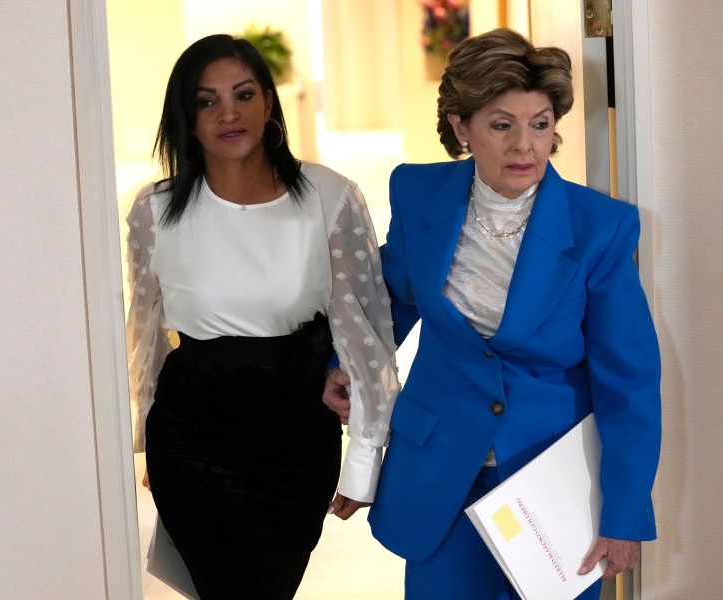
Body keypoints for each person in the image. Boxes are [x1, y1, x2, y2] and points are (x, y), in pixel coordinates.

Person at [323, 28, 661, 599]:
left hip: (550, 482)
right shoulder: (417, 194)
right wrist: (345, 365)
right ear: (461, 126)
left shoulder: (600, 227)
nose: (525, 146)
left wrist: (624, 512)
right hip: (439, 471)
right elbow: (388, 296)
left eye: (541, 123)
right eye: (502, 125)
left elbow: (628, 381)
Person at [125, 34, 400, 600]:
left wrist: (364, 457)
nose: (228, 112)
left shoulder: (330, 197)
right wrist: (148, 439)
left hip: (295, 437)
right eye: (207, 101)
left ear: (269, 104)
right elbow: (146, 336)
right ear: (189, 118)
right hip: (191, 435)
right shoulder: (153, 210)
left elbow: (366, 333)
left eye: (243, 94)